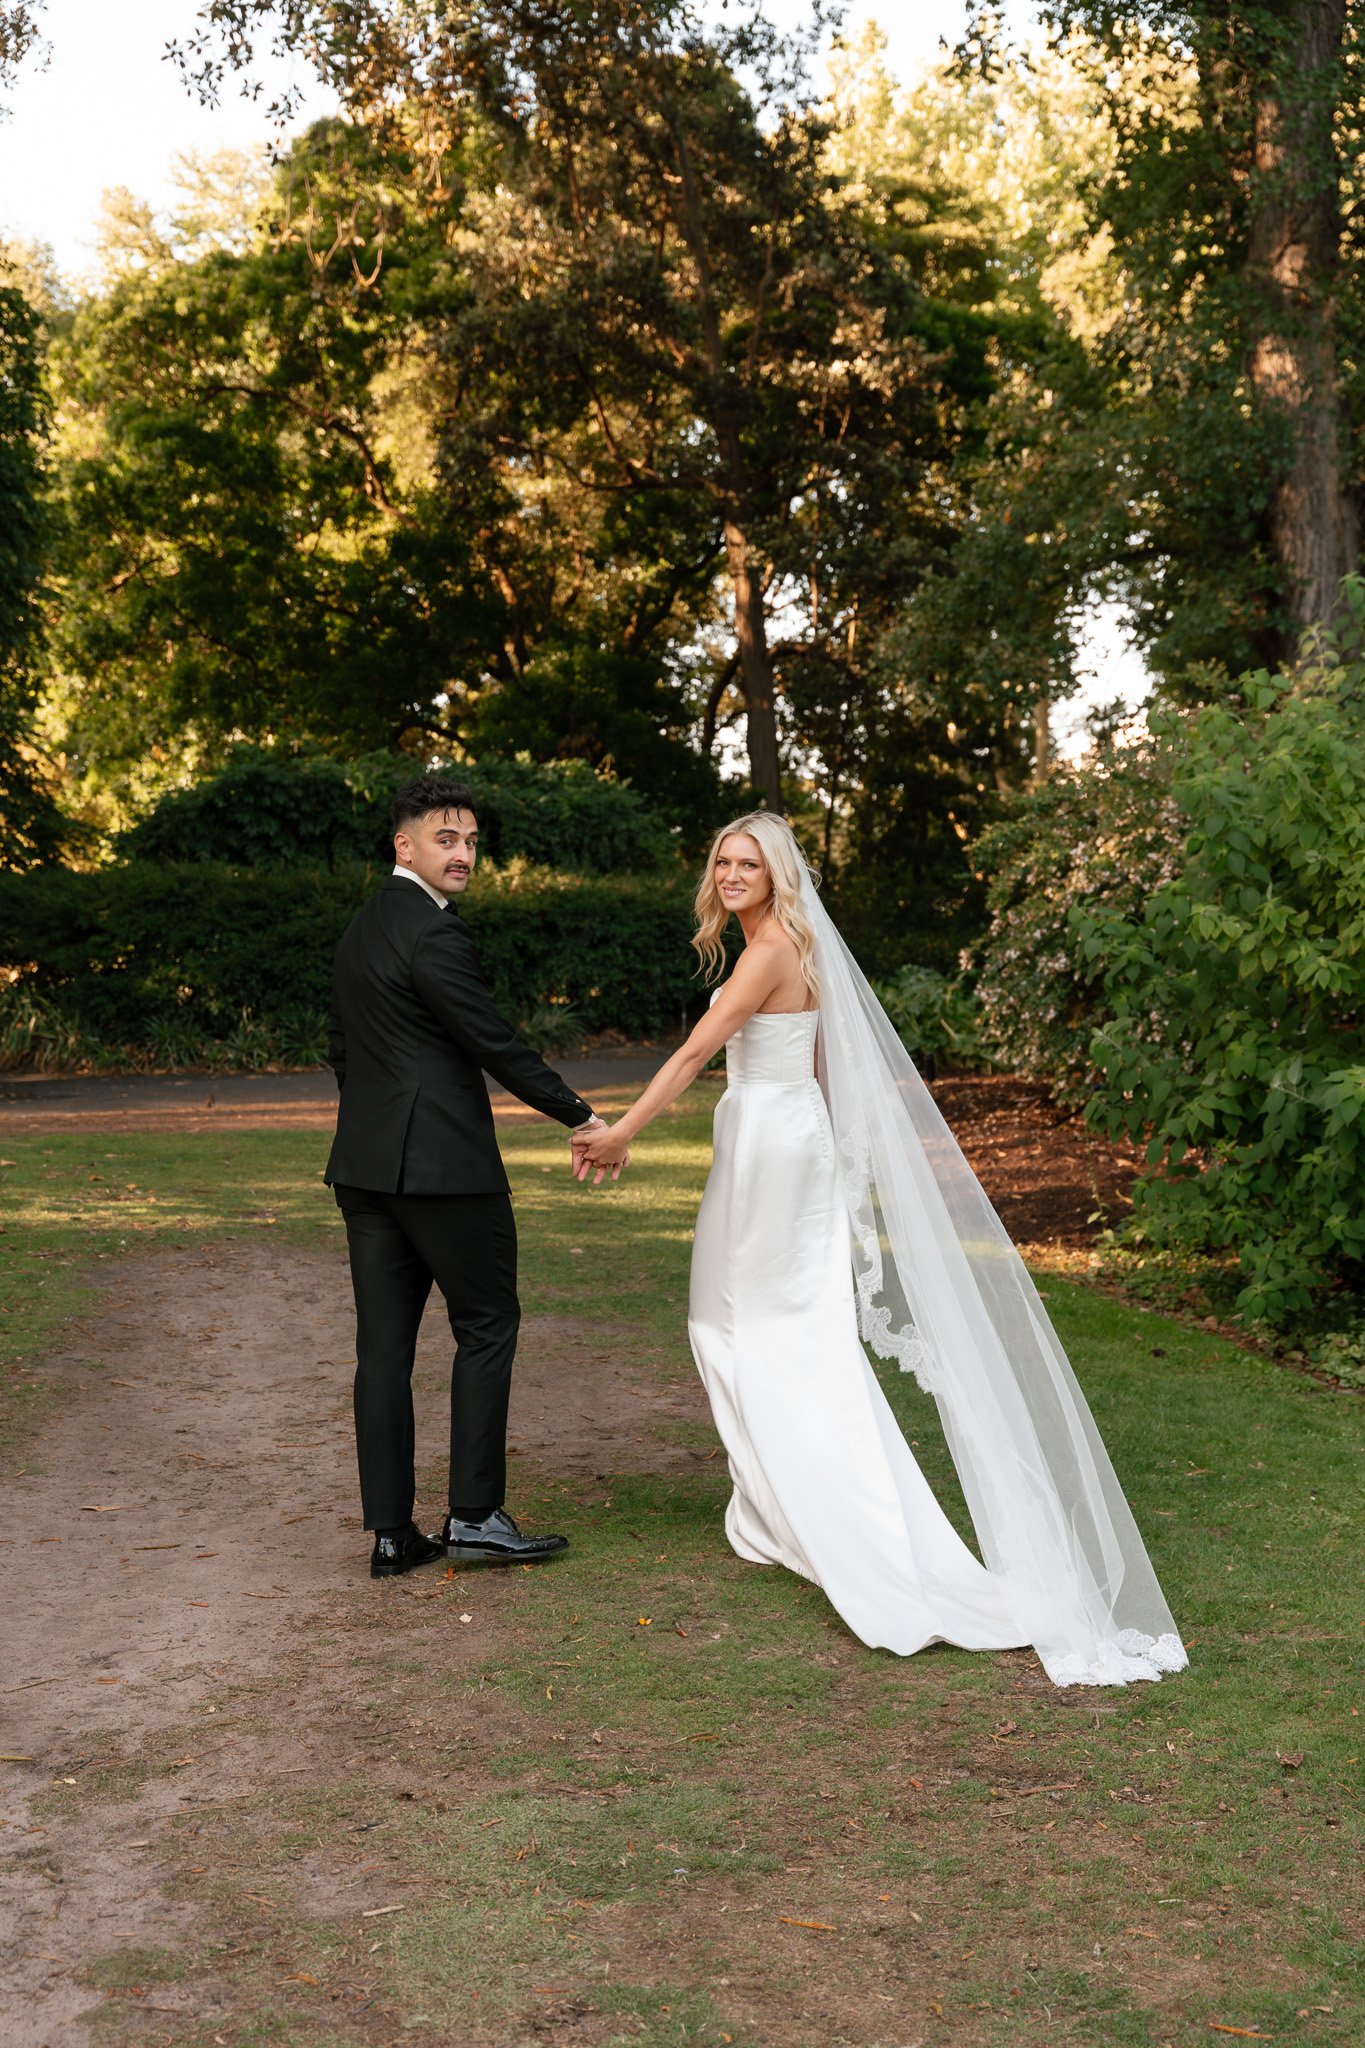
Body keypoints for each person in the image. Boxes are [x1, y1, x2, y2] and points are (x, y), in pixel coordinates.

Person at [574, 812, 1187, 1688]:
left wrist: (624, 1131)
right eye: (723, 859)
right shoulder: (780, 946)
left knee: (772, 1330)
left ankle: (823, 1513)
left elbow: (697, 1051)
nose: (733, 872)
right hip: (771, 1136)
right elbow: (821, 1063)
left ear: (778, 875)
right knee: (724, 1321)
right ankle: (772, 1505)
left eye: (750, 862)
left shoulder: (771, 950)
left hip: (775, 1143)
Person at [326, 774, 624, 1579]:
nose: (462, 854)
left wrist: (378, 1126)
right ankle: (475, 1516)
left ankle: (390, 1535)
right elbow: (492, 1040)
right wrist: (580, 1116)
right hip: (445, 1170)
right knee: (487, 1324)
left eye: (470, 841)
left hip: (363, 1169)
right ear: (405, 845)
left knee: (383, 1350)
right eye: (445, 839)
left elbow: (342, 1051)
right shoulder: (433, 933)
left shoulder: (360, 931)